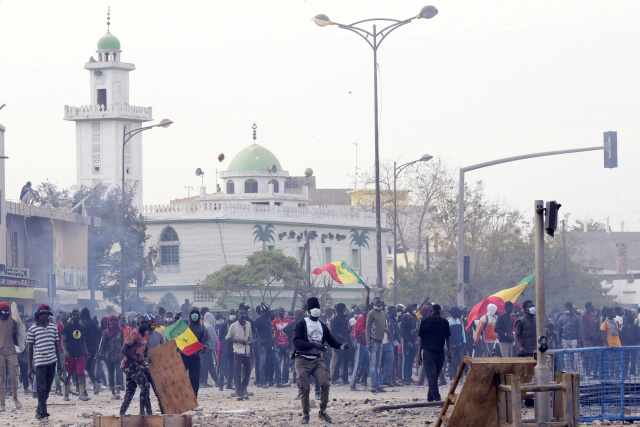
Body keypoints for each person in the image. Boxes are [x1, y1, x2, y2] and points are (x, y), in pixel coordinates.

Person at [293, 297, 349, 424]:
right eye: (314, 309)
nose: (316, 311)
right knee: (305, 388)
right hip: (302, 359)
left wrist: (340, 346)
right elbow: (297, 342)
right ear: (309, 311)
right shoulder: (302, 324)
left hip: (317, 360)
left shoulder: (322, 325)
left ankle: (323, 412)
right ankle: (306, 414)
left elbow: (331, 340)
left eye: (318, 308)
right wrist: (314, 345)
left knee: (325, 383)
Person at [27, 304, 62, 421]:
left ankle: (38, 411)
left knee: (47, 389)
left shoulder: (53, 328)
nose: (44, 316)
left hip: (52, 362)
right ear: (38, 315)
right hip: (40, 363)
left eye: (46, 314)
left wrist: (59, 364)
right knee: (41, 388)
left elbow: (57, 345)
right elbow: (30, 349)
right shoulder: (32, 329)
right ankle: (44, 414)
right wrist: (29, 367)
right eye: (42, 314)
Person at [418, 304, 451, 402]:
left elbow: (448, 338)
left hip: (440, 352)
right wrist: (419, 354)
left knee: (435, 375)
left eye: (438, 313)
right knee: (432, 374)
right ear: (431, 312)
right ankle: (437, 397)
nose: (436, 316)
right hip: (428, 351)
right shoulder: (424, 323)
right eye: (434, 313)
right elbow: (421, 339)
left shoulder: (444, 323)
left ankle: (430, 397)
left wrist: (450, 352)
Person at [119, 315, 152, 416]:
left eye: (146, 322)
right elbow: (123, 349)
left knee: (130, 391)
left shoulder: (146, 335)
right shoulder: (134, 334)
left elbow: (145, 351)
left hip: (135, 365)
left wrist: (147, 358)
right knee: (145, 386)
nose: (145, 324)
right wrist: (137, 360)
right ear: (138, 324)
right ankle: (143, 412)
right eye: (142, 323)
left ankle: (122, 414)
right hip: (129, 365)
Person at [61, 308, 90, 401]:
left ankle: (81, 394)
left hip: (80, 354)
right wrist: (65, 351)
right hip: (70, 354)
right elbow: (63, 341)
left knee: (81, 374)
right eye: (74, 315)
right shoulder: (66, 328)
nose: (76, 316)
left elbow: (83, 342)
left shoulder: (83, 328)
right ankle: (66, 392)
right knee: (68, 375)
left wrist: (86, 351)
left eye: (78, 315)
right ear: (71, 316)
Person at [181, 308, 208, 398]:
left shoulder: (202, 326)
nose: (194, 315)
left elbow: (205, 340)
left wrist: (205, 347)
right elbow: (175, 331)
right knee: (182, 379)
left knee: (195, 380)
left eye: (196, 313)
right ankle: (183, 398)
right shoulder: (184, 325)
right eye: (192, 313)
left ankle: (193, 399)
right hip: (183, 356)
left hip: (195, 357)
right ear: (189, 315)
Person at [226, 308, 252, 401]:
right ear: (237, 315)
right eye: (241, 313)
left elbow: (250, 336)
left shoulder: (248, 324)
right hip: (237, 352)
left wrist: (249, 341)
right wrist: (238, 340)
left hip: (247, 351)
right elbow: (228, 338)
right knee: (237, 373)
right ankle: (239, 392)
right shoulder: (233, 326)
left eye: (244, 313)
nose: (243, 315)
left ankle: (243, 389)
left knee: (248, 372)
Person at [0, 301, 22, 411]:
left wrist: (22, 346)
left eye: (6, 311)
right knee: (1, 379)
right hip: (0, 353)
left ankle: (15, 398)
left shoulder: (12, 321)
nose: (5, 313)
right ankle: (2, 403)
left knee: (14, 377)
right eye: (3, 311)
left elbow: (17, 336)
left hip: (12, 351)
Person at [254, 303, 282, 388]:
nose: (270, 311)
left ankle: (278, 382)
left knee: (277, 362)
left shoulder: (268, 319)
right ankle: (263, 382)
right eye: (269, 309)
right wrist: (258, 339)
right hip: (263, 345)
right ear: (264, 310)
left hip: (271, 344)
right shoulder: (258, 320)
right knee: (262, 364)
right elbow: (252, 330)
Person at [98, 315, 124, 399]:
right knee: (110, 374)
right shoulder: (106, 332)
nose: (113, 322)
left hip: (119, 355)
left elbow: (123, 343)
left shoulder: (120, 331)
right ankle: (112, 391)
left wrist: (125, 354)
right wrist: (101, 354)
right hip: (109, 356)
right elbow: (101, 344)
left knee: (119, 373)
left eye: (114, 320)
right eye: (111, 320)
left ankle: (118, 391)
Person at [366, 297, 388, 393]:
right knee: (373, 364)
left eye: (380, 302)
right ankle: (374, 385)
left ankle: (378, 384)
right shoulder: (371, 313)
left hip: (380, 341)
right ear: (374, 303)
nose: (378, 304)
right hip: (373, 341)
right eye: (377, 302)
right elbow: (367, 328)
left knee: (378, 365)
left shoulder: (383, 313)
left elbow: (385, 327)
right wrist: (368, 342)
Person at [80, 307, 100, 395]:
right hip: (94, 347)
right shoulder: (94, 322)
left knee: (82, 368)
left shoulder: (83, 323)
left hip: (86, 348)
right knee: (89, 367)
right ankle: (95, 383)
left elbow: (83, 337)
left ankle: (83, 389)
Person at [557, 302, 581, 372]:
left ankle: (580, 374)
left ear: (571, 308)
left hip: (574, 339)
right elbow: (559, 330)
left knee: (577, 357)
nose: (565, 309)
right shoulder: (561, 318)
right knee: (566, 358)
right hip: (564, 339)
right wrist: (559, 342)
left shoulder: (577, 318)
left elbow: (579, 330)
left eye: (567, 307)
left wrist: (579, 341)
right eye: (564, 307)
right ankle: (568, 373)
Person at [329, 303, 349, 385]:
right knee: (339, 360)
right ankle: (334, 378)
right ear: (341, 310)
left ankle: (345, 379)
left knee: (346, 360)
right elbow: (334, 332)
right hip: (339, 342)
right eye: (344, 309)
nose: (345, 310)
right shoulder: (334, 320)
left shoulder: (344, 318)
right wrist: (343, 338)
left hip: (346, 342)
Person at [400, 304, 419, 384]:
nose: (414, 309)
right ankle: (404, 378)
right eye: (413, 307)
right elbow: (402, 330)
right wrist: (408, 341)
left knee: (411, 360)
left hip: (413, 341)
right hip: (406, 342)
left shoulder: (414, 317)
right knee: (406, 360)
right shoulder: (405, 317)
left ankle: (409, 376)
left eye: (415, 307)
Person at [273, 307, 292, 385]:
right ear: (277, 312)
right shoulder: (274, 322)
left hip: (287, 344)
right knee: (278, 362)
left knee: (286, 362)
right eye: (280, 311)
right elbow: (272, 333)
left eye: (283, 311)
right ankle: (277, 379)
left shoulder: (289, 321)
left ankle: (285, 379)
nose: (282, 312)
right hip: (278, 344)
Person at [218, 309, 236, 391]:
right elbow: (220, 338)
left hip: (234, 348)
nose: (232, 315)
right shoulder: (224, 325)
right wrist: (219, 349)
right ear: (228, 315)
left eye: (233, 314)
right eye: (231, 314)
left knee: (232, 367)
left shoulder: (236, 324)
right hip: (225, 348)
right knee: (223, 366)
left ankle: (229, 384)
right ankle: (221, 385)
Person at [200, 312, 218, 388]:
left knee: (207, 365)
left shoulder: (202, 325)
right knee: (208, 366)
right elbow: (215, 339)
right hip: (208, 348)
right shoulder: (209, 326)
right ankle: (204, 382)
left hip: (201, 348)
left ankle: (215, 381)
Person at [447, 307, 466, 380]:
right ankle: (452, 378)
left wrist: (464, 342)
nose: (458, 312)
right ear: (453, 313)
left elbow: (463, 332)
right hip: (451, 345)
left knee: (460, 362)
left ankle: (460, 378)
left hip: (460, 344)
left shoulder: (460, 321)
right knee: (452, 362)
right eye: (457, 311)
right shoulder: (448, 322)